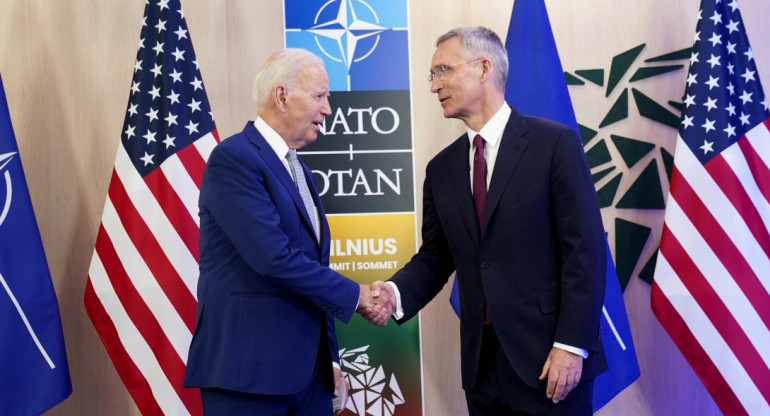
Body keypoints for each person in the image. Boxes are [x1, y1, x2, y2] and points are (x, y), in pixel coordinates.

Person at [367, 27, 608, 415]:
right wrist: (393, 296)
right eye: (432, 75)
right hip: (482, 369)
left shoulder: (554, 145)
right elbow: (436, 256)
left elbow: (586, 253)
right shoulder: (441, 169)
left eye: (443, 70)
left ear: (483, 68)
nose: (434, 86)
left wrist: (570, 345)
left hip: (550, 361)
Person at [183, 48, 391, 415]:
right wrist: (357, 295)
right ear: (282, 96)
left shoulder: (300, 171)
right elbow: (274, 258)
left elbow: (314, 270)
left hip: (309, 379)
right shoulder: (235, 159)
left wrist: (332, 360)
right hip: (249, 378)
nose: (327, 109)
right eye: (319, 96)